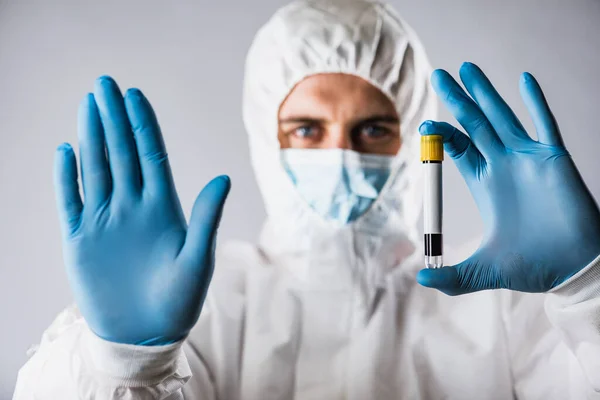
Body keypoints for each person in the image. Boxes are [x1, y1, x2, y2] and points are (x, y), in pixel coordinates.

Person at [13, 0, 600, 399]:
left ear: (413, 136)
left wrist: (588, 291)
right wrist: (121, 362)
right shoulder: (202, 304)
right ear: (265, 135)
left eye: (372, 129)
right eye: (306, 130)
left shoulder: (497, 306)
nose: (341, 154)